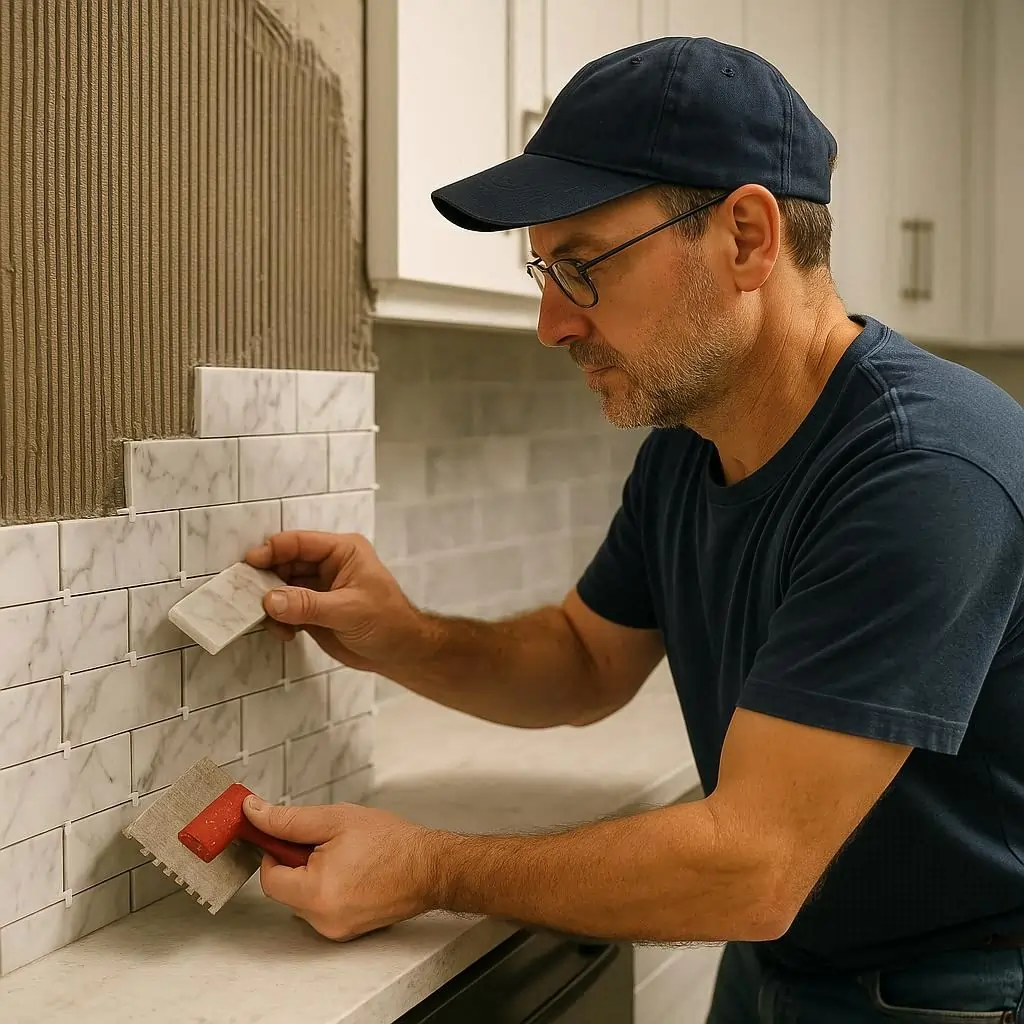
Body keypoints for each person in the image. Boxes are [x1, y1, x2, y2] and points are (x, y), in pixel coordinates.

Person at [240, 35, 1024, 1022]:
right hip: (782, 964)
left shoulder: (922, 469)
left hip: (951, 992)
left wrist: (427, 865)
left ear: (745, 236)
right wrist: (404, 636)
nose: (552, 325)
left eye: (582, 266)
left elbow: (751, 864)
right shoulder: (693, 441)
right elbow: (581, 660)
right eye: (542, 273)